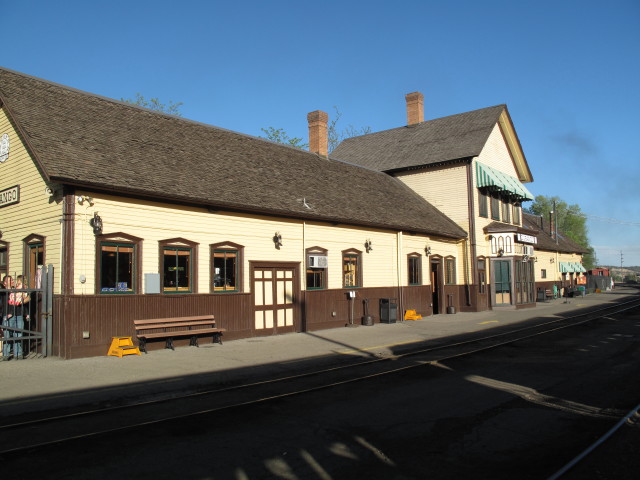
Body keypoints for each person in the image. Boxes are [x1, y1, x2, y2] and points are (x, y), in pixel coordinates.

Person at [2, 275, 29, 360]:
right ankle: (6, 354)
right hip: (7, 315)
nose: (12, 282)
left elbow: (25, 300)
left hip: (19, 314)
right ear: (5, 283)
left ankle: (18, 353)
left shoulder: (17, 290)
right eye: (10, 280)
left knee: (18, 334)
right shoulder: (3, 292)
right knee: (7, 335)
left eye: (12, 280)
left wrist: (26, 313)